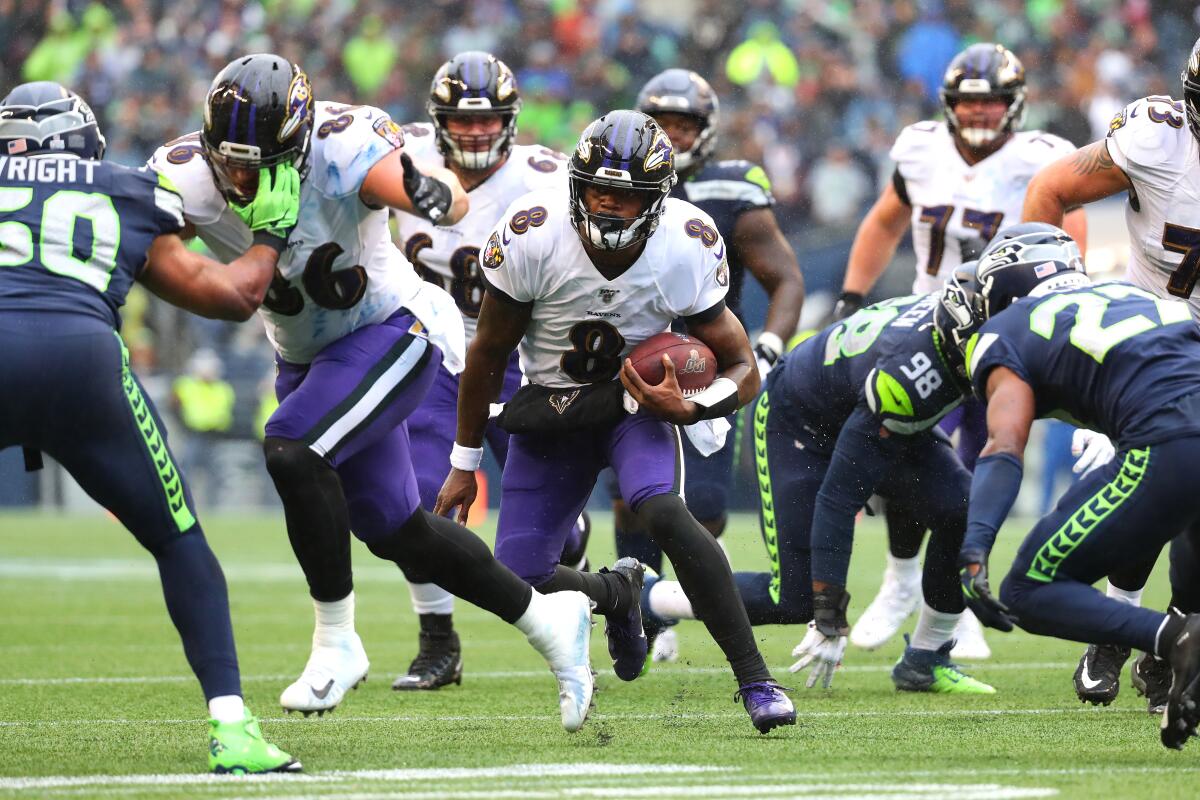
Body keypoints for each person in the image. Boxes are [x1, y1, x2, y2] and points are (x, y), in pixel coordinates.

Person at [150, 53, 595, 732]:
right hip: (308, 358)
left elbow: (422, 184)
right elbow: (167, 256)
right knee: (402, 532)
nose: (239, 178)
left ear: (298, 144)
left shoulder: (337, 143)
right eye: (228, 162)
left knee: (293, 447)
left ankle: (337, 640)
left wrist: (435, 191)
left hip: (395, 327)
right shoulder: (185, 173)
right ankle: (550, 620)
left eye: (259, 163)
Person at [435, 109, 796, 734]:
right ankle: (618, 591)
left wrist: (695, 405)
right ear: (576, 184)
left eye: (625, 197)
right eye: (598, 190)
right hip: (553, 408)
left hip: (636, 406)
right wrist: (464, 462)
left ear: (657, 200)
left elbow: (743, 366)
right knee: (518, 578)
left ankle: (756, 678)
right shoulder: (532, 231)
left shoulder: (686, 240)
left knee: (660, 508)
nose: (606, 206)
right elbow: (487, 353)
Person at [0, 80, 298, 772]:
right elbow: (235, 296)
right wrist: (272, 232)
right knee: (179, 539)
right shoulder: (118, 187)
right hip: (82, 361)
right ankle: (233, 731)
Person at [642, 271, 1015, 694]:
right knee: (796, 596)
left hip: (864, 403)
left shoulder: (960, 329)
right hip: (802, 422)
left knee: (959, 506)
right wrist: (829, 615)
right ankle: (651, 600)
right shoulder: (914, 371)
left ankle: (926, 659)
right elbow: (838, 500)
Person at [831, 43, 1085, 660]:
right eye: (968, 102)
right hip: (933, 323)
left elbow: (1067, 240)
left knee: (982, 464)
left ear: (1014, 104)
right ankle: (899, 580)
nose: (978, 113)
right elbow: (885, 220)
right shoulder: (920, 148)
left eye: (990, 100)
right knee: (904, 450)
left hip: (1008, 332)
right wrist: (851, 294)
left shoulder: (1042, 157)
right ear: (948, 105)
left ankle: (957, 598)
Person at [952, 225, 1200, 751]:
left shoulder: (1008, 329)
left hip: (1171, 442)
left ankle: (1176, 642)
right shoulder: (1135, 294)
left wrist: (975, 543)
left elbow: (1003, 445)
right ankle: (1185, 638)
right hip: (1177, 433)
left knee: (1027, 588)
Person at [392, 51, 587, 692]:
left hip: (515, 359)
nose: (475, 132)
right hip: (429, 353)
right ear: (436, 120)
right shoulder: (400, 156)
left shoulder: (546, 178)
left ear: (510, 119)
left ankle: (580, 577)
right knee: (412, 506)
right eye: (460, 120)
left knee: (552, 529)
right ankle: (438, 641)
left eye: (489, 120)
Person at [1019, 37, 1200, 713]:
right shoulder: (1158, 138)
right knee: (1161, 483)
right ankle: (1119, 629)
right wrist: (1050, 297)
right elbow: (1051, 188)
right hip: (1152, 333)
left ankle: (1175, 641)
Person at [609, 68, 804, 665]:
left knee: (709, 506)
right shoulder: (610, 182)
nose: (673, 134)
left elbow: (786, 278)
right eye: (662, 123)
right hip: (630, 362)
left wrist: (766, 347)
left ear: (707, 130)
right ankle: (635, 614)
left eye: (684, 124)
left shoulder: (733, 187)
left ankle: (663, 601)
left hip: (708, 363)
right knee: (630, 496)